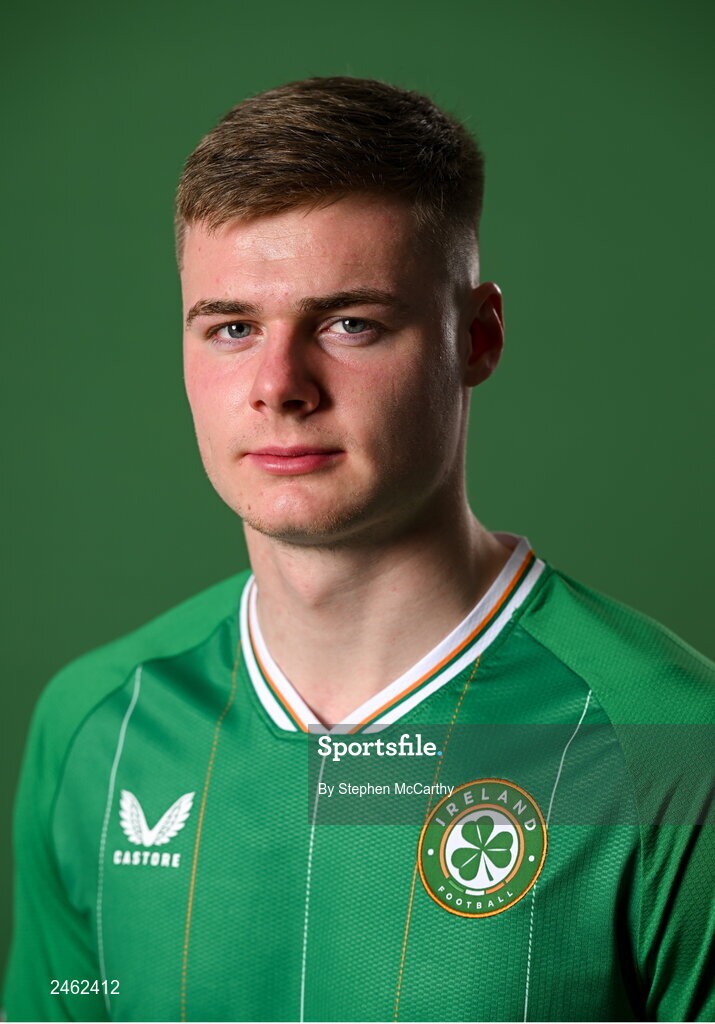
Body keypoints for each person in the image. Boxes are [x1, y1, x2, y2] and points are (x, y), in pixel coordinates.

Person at [2, 76, 713, 1024]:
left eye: (349, 323)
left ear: (478, 336)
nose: (278, 385)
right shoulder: (98, 725)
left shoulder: (671, 751)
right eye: (232, 327)